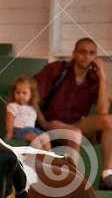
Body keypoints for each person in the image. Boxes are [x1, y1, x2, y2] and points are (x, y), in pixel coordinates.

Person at [35, 38, 112, 186]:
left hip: (76, 123)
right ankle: (72, 180)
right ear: (74, 53)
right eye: (82, 52)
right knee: (74, 133)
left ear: (95, 57)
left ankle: (107, 175)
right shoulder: (57, 69)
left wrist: (102, 76)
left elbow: (102, 110)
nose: (86, 56)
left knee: (108, 121)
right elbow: (33, 95)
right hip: (52, 122)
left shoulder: (93, 79)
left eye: (91, 53)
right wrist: (43, 121)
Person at [4, 76, 52, 151]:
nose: (21, 95)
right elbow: (9, 119)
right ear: (13, 93)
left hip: (32, 129)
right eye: (18, 92)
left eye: (24, 93)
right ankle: (42, 154)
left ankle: (50, 154)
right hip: (18, 130)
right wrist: (9, 132)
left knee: (45, 136)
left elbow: (40, 120)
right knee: (33, 137)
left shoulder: (32, 107)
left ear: (31, 94)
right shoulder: (13, 106)